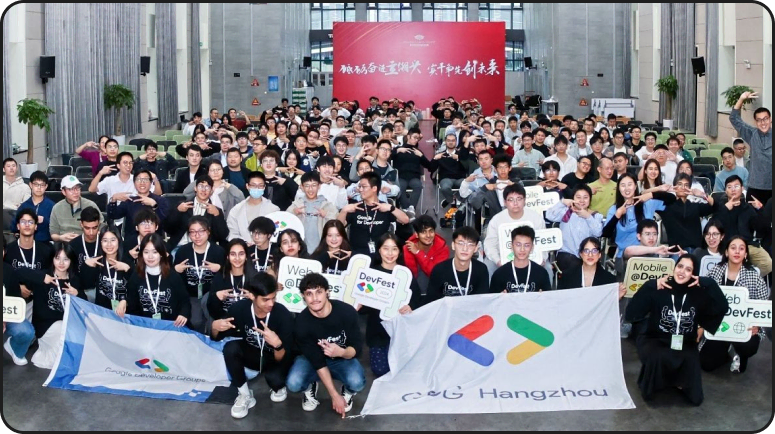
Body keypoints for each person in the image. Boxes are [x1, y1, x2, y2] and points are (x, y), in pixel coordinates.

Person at [625, 254, 728, 405]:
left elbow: (722, 307)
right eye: (680, 266)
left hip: (685, 341)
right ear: (674, 268)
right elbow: (632, 312)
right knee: (657, 355)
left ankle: (679, 382)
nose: (682, 272)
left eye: (688, 269)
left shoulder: (698, 293)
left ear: (693, 274)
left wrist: (710, 283)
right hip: (655, 338)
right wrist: (650, 285)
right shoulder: (660, 287)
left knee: (690, 358)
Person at [211, 271, 294, 418]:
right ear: (251, 296)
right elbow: (217, 337)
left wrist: (277, 345)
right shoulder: (239, 309)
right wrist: (214, 327)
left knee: (276, 381)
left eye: (273, 298)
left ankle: (278, 385)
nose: (271, 303)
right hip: (252, 353)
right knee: (230, 348)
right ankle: (244, 394)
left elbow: (283, 357)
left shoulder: (283, 315)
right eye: (265, 300)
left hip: (275, 358)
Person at [285, 273, 365, 416]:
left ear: (327, 292)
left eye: (319, 292)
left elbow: (357, 348)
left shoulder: (346, 312)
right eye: (309, 294)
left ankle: (347, 392)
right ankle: (310, 386)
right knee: (293, 383)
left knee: (357, 382)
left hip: (342, 358)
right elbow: (318, 362)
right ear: (303, 297)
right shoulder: (301, 323)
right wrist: (334, 395)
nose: (315, 298)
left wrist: (341, 352)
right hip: (312, 361)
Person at [701, 236, 769, 373]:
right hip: (719, 326)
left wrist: (756, 324)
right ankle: (726, 349)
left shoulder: (754, 277)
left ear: (745, 254)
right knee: (706, 364)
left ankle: (741, 354)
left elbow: (763, 305)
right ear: (726, 252)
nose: (737, 251)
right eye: (733, 248)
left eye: (741, 248)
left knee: (748, 347)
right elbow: (703, 299)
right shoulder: (714, 272)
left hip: (743, 328)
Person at [360, 233, 422, 378]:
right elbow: (363, 308)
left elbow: (417, 297)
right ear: (379, 250)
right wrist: (361, 303)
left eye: (394, 249)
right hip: (377, 332)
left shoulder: (405, 273)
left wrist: (411, 306)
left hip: (400, 330)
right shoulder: (370, 273)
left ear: (399, 251)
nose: (390, 253)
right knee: (380, 370)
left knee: (402, 369)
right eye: (386, 248)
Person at [23, 242, 87, 369]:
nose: (61, 263)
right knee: (63, 331)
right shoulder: (44, 277)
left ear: (71, 261)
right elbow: (19, 272)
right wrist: (41, 277)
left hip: (68, 322)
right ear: (52, 259)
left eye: (66, 259)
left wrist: (77, 293)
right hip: (47, 325)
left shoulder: (74, 280)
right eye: (57, 258)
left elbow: (84, 305)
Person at [603, 174, 674, 276]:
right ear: (618, 188)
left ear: (635, 186)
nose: (627, 188)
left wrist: (651, 194)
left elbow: (672, 199)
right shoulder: (614, 210)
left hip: (649, 254)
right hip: (626, 257)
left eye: (630, 184)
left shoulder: (647, 204)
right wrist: (617, 216)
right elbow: (606, 233)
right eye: (623, 185)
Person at [123, 233, 190, 327]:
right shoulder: (137, 275)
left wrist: (183, 314)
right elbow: (132, 304)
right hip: (145, 326)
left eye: (155, 252)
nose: (150, 256)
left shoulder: (172, 275)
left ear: (162, 254)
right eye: (146, 252)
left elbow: (185, 302)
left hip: (171, 326)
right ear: (141, 254)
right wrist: (124, 302)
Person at [173, 217, 226, 333]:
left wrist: (220, 269)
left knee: (213, 322)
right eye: (192, 232)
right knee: (195, 322)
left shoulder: (218, 251)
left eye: (201, 231)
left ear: (208, 231)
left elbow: (228, 275)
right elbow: (173, 279)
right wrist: (175, 269)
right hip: (190, 295)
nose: (197, 236)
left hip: (212, 295)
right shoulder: (182, 251)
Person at [712, 175, 772, 276]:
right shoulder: (720, 207)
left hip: (748, 245)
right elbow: (713, 227)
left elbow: (761, 228)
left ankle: (745, 278)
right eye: (729, 187)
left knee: (768, 264)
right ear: (725, 190)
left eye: (736, 186)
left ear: (742, 188)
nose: (733, 189)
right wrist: (725, 210)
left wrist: (760, 209)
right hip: (726, 246)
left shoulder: (748, 208)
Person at [337, 172, 409, 255]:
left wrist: (391, 208)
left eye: (364, 187)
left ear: (374, 188)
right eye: (360, 186)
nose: (360, 189)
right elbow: (338, 227)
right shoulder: (355, 207)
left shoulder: (385, 207)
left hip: (381, 254)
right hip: (357, 254)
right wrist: (344, 211)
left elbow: (405, 220)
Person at [483, 183, 547, 277]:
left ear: (524, 200)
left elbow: (544, 243)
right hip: (502, 258)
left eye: (519, 199)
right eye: (511, 199)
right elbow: (490, 244)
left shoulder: (536, 218)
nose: (515, 203)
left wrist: (542, 259)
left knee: (548, 268)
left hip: (531, 257)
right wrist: (498, 261)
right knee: (488, 266)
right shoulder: (496, 220)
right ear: (505, 202)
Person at [546, 185, 604, 271]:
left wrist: (588, 217)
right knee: (576, 266)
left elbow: (598, 233)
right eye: (578, 197)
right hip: (567, 253)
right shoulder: (566, 213)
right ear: (573, 198)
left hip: (588, 254)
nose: (582, 200)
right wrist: (562, 202)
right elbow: (549, 215)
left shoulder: (595, 216)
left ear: (590, 199)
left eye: (585, 197)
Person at [426, 226, 490, 302]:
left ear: (476, 248)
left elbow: (482, 301)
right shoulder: (439, 270)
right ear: (453, 245)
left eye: (470, 244)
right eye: (460, 243)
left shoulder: (481, 269)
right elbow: (431, 301)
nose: (465, 249)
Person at [654, 174, 714, 254]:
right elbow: (643, 197)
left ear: (689, 188)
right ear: (674, 186)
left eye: (686, 185)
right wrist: (659, 189)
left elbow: (716, 207)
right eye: (680, 184)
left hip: (695, 251)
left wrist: (703, 195)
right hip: (676, 252)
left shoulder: (695, 206)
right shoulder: (666, 206)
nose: (683, 187)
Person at [730, 91, 771, 204]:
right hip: (755, 187)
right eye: (759, 120)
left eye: (765, 119)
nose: (763, 123)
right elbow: (734, 119)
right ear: (755, 122)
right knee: (752, 215)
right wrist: (741, 99)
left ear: (770, 119)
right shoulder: (752, 134)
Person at [108, 169, 169, 243]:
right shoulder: (129, 200)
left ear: (151, 182)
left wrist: (154, 205)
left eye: (145, 179)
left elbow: (165, 222)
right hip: (132, 242)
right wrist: (113, 200)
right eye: (138, 180)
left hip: (154, 241)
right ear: (134, 183)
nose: (142, 183)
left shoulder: (160, 200)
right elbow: (113, 215)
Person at [82, 226, 133, 313]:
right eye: (105, 240)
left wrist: (128, 270)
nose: (109, 244)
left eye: (113, 240)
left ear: (119, 241)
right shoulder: (97, 262)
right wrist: (86, 266)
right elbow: (87, 285)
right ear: (100, 242)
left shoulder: (127, 263)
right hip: (102, 312)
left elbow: (135, 291)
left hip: (124, 313)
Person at [3, 237, 36, 366]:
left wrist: (4, 320)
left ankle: (15, 349)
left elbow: (14, 300)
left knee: (26, 331)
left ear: (4, 252)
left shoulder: (9, 271)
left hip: (6, 314)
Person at [170, 175, 229, 247]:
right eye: (201, 186)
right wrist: (177, 211)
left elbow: (222, 235)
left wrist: (217, 215)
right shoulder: (182, 205)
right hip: (181, 245)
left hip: (205, 248)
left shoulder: (216, 210)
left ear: (211, 191)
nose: (203, 190)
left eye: (207, 187)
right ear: (195, 188)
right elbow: (168, 228)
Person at [490, 226, 552, 293]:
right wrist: (500, 297)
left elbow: (548, 297)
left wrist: (543, 297)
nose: (522, 249)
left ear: (532, 247)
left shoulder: (541, 273)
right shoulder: (500, 274)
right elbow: (493, 298)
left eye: (526, 245)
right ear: (511, 246)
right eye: (518, 245)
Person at [288, 171, 338, 254]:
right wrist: (294, 212)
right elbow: (284, 221)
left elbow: (339, 223)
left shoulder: (327, 205)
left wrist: (326, 214)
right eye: (307, 186)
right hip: (301, 250)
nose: (310, 189)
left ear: (319, 186)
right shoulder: (296, 204)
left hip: (322, 249)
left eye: (314, 185)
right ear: (302, 187)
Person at [207, 239, 257, 321]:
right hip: (226, 321)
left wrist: (255, 299)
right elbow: (212, 311)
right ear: (227, 257)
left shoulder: (255, 278)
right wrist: (216, 298)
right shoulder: (220, 277)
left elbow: (263, 308)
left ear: (246, 257)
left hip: (250, 321)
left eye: (241, 254)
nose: (237, 258)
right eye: (233, 254)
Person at [227, 171, 280, 241]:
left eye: (260, 186)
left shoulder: (274, 209)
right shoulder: (236, 210)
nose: (257, 188)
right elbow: (232, 234)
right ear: (247, 186)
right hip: (243, 246)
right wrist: (245, 243)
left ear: (264, 187)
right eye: (253, 185)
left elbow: (276, 233)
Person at [403, 215, 449, 296]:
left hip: (436, 291)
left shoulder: (442, 248)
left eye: (431, 231)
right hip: (412, 292)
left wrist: (418, 253)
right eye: (423, 232)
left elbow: (435, 274)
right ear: (416, 234)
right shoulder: (407, 248)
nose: (428, 235)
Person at [49, 176, 105, 242]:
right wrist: (61, 237)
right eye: (71, 189)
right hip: (65, 243)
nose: (76, 192)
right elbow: (53, 234)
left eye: (77, 188)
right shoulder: (57, 208)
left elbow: (102, 227)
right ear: (63, 192)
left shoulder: (90, 205)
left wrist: (86, 237)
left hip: (87, 242)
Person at [392, 128, 431, 215]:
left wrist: (421, 156)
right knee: (399, 186)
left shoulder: (418, 151)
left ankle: (411, 208)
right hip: (401, 176)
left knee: (418, 185)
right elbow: (388, 157)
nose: (416, 140)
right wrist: (397, 150)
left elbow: (429, 166)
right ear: (408, 136)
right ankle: (407, 208)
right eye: (414, 137)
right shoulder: (398, 149)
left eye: (418, 138)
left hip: (414, 177)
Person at [12, 171, 55, 242]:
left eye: (42, 185)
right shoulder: (24, 206)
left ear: (46, 186)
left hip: (45, 242)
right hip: (26, 242)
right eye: (36, 184)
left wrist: (45, 221)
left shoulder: (52, 206)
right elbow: (14, 226)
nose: (39, 188)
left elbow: (57, 228)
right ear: (30, 185)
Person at [430, 135, 467, 209]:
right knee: (445, 187)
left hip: (460, 178)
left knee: (468, 186)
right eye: (449, 140)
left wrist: (459, 159)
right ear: (445, 142)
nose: (451, 142)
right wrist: (435, 158)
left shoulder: (461, 154)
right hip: (446, 178)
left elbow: (467, 167)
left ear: (456, 142)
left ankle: (455, 201)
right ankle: (453, 201)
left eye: (453, 140)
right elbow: (431, 168)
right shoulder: (440, 155)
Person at [69, 207, 103, 275]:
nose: (91, 232)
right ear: (81, 225)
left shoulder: (105, 243)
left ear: (99, 224)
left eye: (94, 228)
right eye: (87, 228)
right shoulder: (73, 245)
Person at [3, 158, 31, 230]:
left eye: (13, 166)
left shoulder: (25, 187)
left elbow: (26, 205)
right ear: (3, 169)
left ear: (17, 168)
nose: (11, 168)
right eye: (8, 166)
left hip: (17, 215)